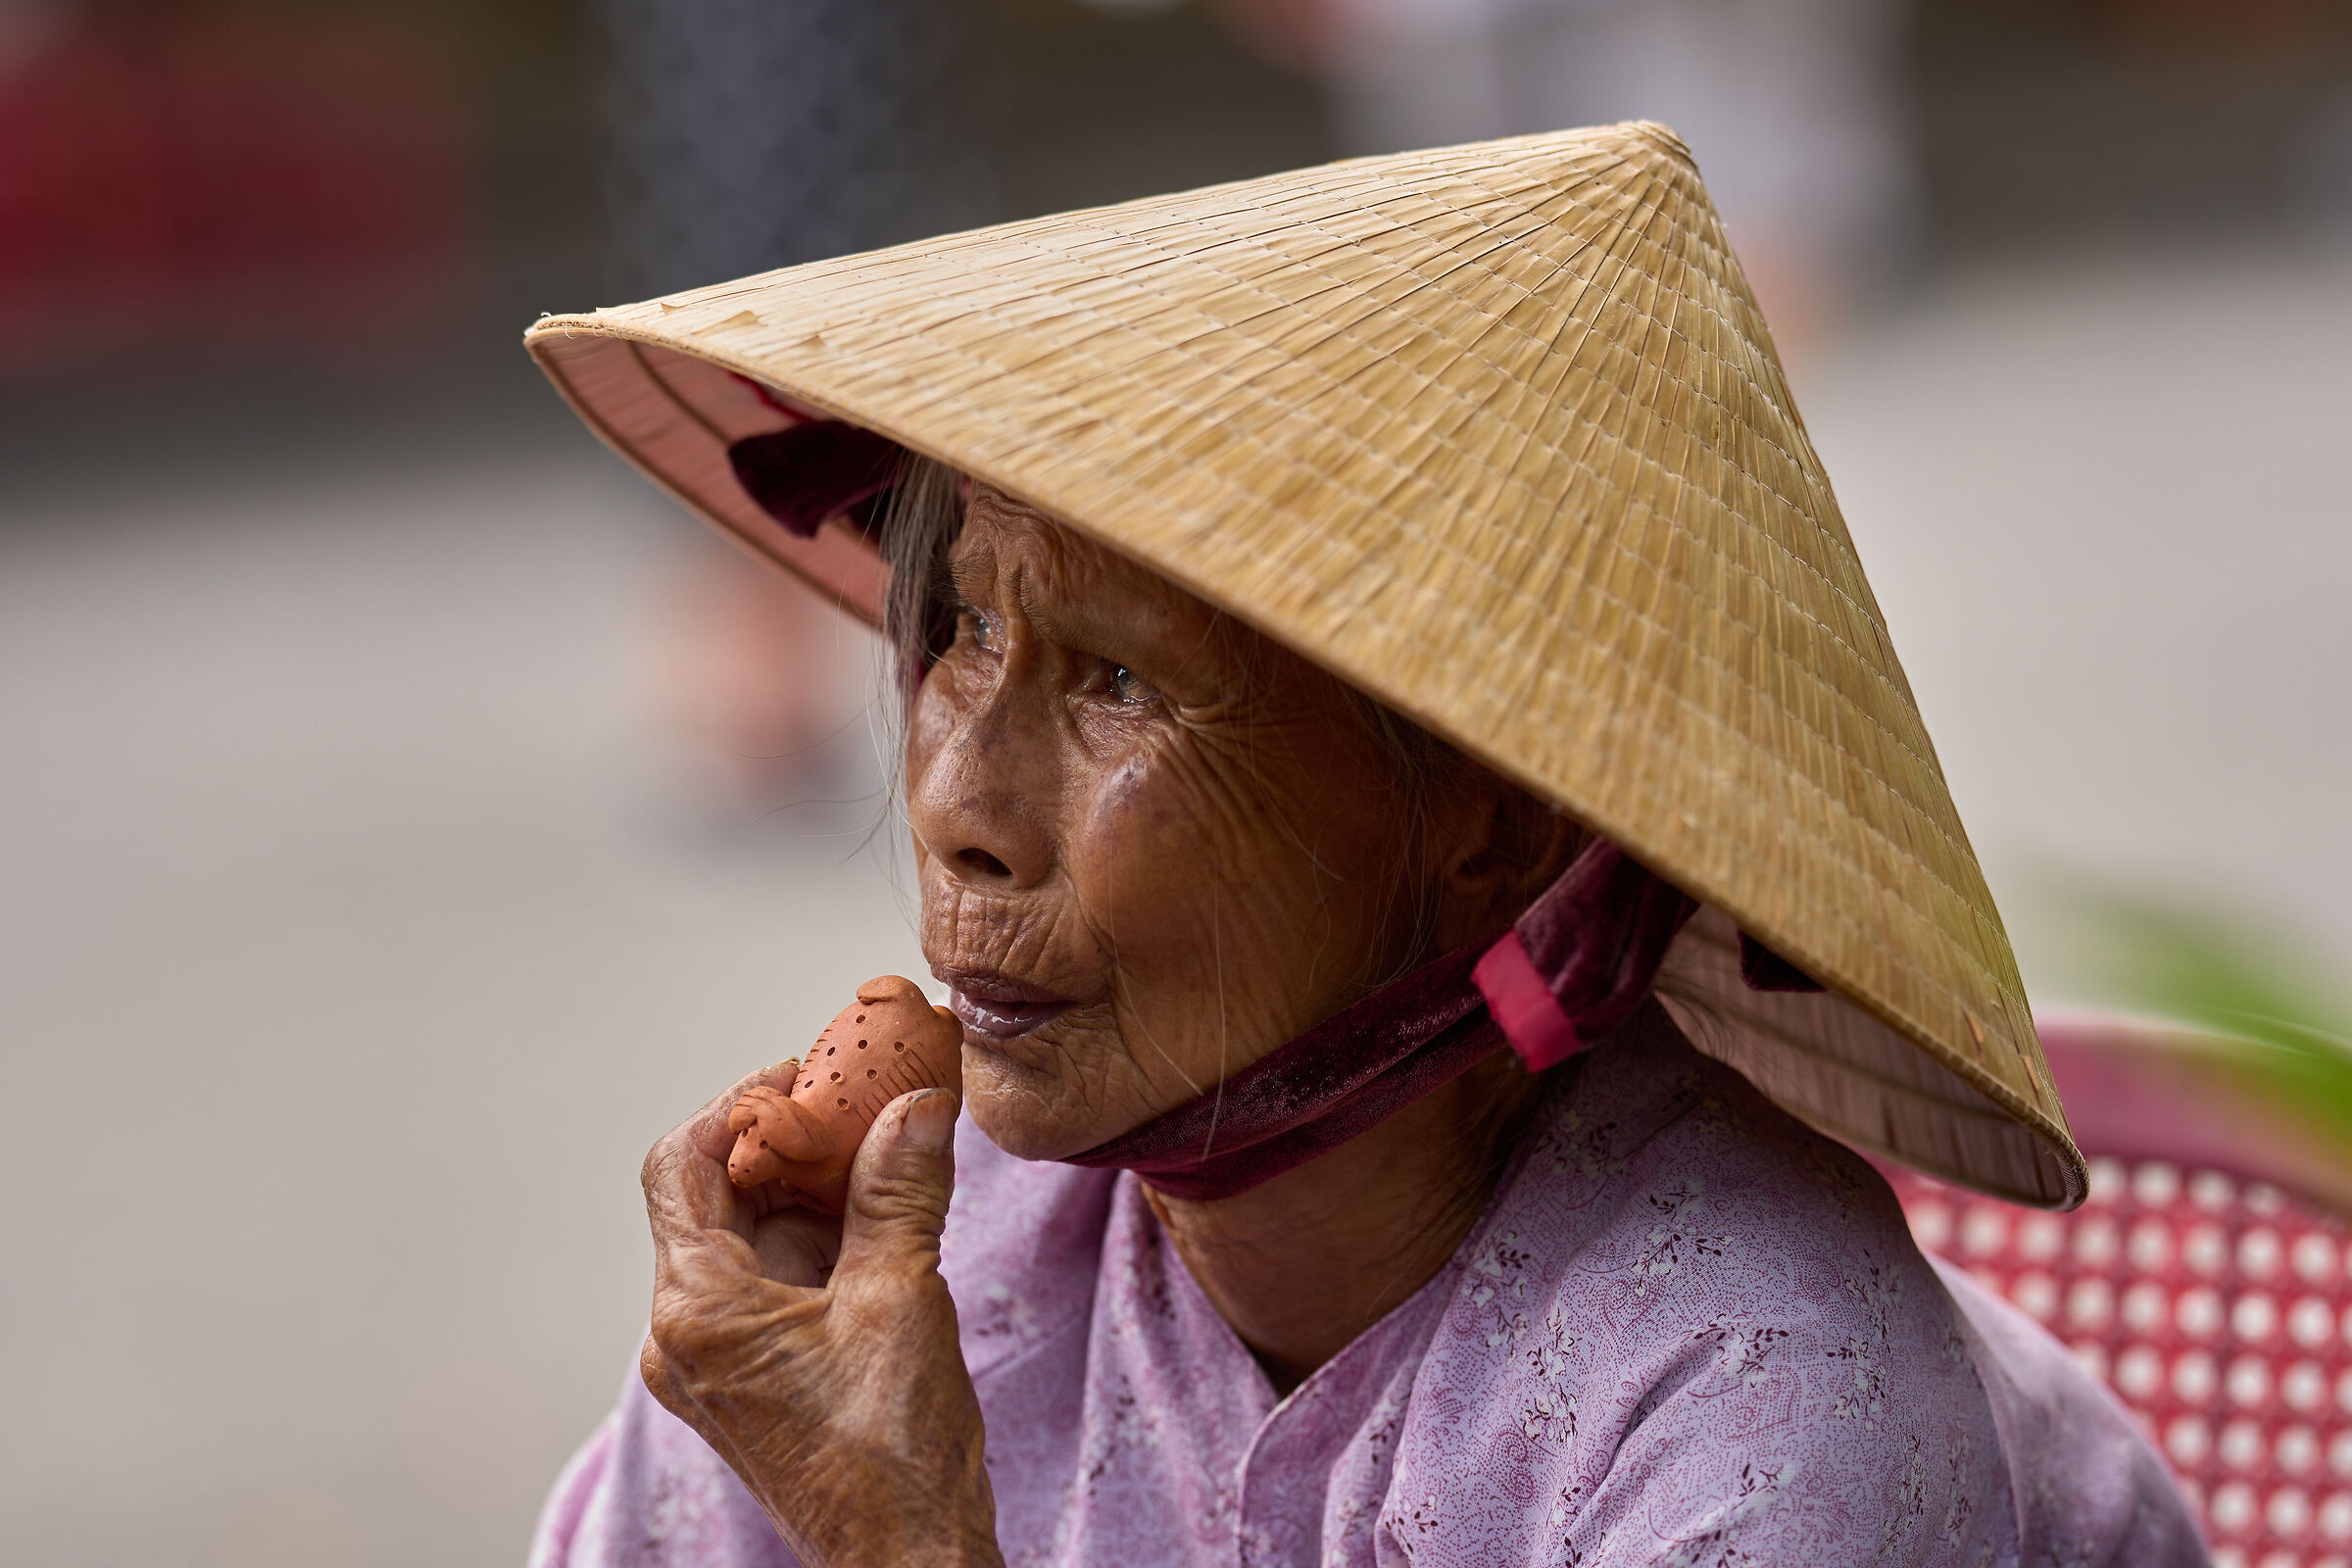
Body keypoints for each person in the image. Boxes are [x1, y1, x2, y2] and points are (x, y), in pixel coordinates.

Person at [522, 122, 2205, 1566]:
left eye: (1116, 681)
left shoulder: (1763, 1397)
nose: (956, 811)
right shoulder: (920, 1269)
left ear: (1492, 815)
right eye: (959, 630)